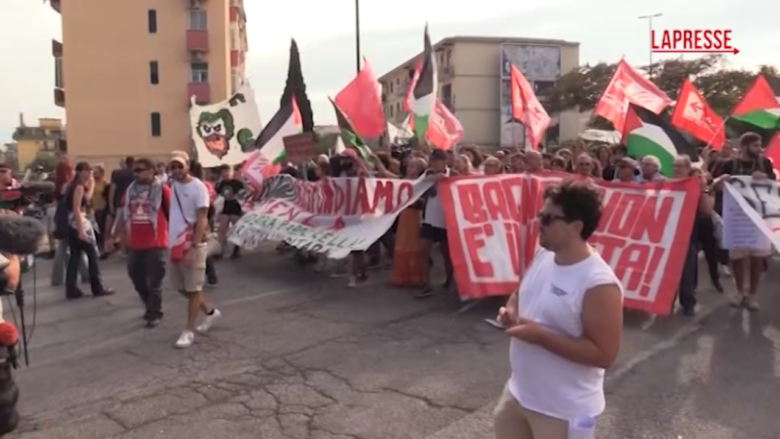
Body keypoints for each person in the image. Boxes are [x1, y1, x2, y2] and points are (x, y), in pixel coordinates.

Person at [493, 179, 623, 439]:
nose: (539, 223)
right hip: (518, 394)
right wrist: (510, 311)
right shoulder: (544, 254)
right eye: (540, 215)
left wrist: (540, 336)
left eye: (549, 218)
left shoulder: (599, 283)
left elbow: (604, 354)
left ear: (576, 227)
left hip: (563, 411)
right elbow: (521, 292)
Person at [713, 132, 775, 310]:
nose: (759, 148)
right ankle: (740, 292)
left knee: (757, 260)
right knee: (737, 259)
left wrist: (765, 179)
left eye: (760, 144)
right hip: (737, 219)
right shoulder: (729, 165)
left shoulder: (764, 164)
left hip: (759, 219)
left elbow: (773, 186)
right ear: (744, 146)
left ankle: (753, 295)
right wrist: (721, 180)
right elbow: (713, 186)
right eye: (755, 145)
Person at [167, 153, 221, 348]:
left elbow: (202, 218)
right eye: (173, 167)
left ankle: (188, 331)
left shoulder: (198, 187)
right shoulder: (172, 185)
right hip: (174, 242)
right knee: (181, 287)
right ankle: (210, 312)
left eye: (179, 166)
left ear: (188, 166)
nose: (176, 170)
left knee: (194, 287)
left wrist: (195, 245)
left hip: (191, 243)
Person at [113, 158, 171, 327]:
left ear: (152, 170)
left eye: (141, 170)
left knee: (155, 281)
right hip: (135, 243)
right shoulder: (130, 191)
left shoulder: (163, 190)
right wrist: (114, 236)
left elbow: (173, 213)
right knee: (136, 278)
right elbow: (121, 214)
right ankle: (150, 305)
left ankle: (154, 312)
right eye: (135, 171)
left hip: (156, 242)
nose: (136, 173)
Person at [64, 162, 115, 299]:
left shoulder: (73, 186)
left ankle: (71, 289)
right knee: (93, 256)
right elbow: (77, 208)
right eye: (88, 171)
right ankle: (97, 288)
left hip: (72, 225)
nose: (90, 174)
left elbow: (85, 200)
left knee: (74, 257)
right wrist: (81, 231)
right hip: (79, 225)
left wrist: (91, 185)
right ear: (81, 172)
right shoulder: (79, 186)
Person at [418, 149, 455, 299]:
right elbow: (420, 188)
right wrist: (433, 179)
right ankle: (426, 284)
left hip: (446, 220)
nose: (435, 164)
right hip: (429, 219)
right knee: (423, 250)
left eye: (438, 161)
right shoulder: (428, 174)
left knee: (446, 253)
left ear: (445, 162)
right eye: (433, 161)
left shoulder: (453, 174)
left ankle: (449, 280)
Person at [390, 157, 427, 287]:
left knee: (414, 245)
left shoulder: (422, 183)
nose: (410, 169)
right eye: (409, 166)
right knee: (402, 244)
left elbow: (423, 202)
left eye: (414, 166)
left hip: (415, 216)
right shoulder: (402, 181)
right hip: (404, 216)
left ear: (420, 169)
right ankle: (401, 276)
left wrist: (414, 202)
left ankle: (415, 277)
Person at [105, 156, 135, 256]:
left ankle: (123, 250)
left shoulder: (118, 174)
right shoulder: (136, 173)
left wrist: (111, 204)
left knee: (122, 228)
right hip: (134, 203)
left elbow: (112, 189)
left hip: (120, 203)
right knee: (133, 226)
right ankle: (133, 248)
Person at [214, 164, 244, 259]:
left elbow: (245, 193)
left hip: (235, 207)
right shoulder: (220, 184)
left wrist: (238, 197)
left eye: (227, 171)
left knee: (236, 229)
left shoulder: (237, 183)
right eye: (224, 172)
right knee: (222, 230)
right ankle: (220, 250)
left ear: (231, 172)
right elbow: (217, 195)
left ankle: (236, 249)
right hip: (225, 208)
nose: (226, 174)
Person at [91, 164, 109, 256]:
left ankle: (104, 247)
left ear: (102, 173)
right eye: (94, 172)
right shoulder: (92, 183)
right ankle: (100, 244)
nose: (94, 174)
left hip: (103, 208)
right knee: (96, 228)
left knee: (102, 228)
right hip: (94, 208)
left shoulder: (105, 183)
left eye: (96, 172)